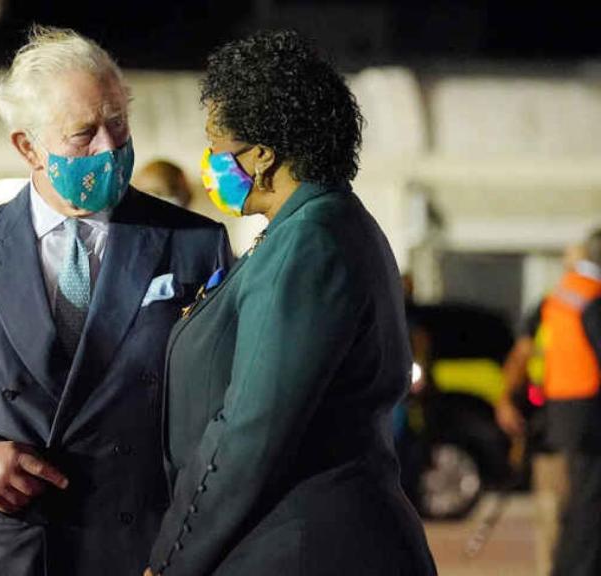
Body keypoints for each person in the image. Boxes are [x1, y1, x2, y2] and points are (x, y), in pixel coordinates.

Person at [0, 26, 230, 576]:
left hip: (143, 552)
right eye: (83, 133)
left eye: (118, 123)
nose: (109, 147)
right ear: (28, 147)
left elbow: (224, 409)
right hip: (12, 552)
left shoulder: (194, 243)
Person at [145, 31, 436, 576]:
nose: (209, 159)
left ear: (261, 153)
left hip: (304, 548)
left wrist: (170, 559)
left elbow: (250, 429)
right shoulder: (315, 227)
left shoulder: (309, 243)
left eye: (216, 141)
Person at [502, 230, 601, 576]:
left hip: (560, 412)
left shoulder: (560, 298)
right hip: (579, 414)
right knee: (581, 504)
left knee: (574, 505)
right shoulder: (587, 297)